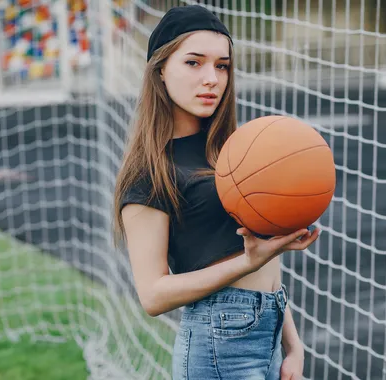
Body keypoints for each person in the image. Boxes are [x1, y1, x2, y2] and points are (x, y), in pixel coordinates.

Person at [112, 5, 320, 380]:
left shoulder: (232, 152)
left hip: (269, 332)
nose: (212, 78)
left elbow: (264, 262)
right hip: (219, 345)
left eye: (222, 65)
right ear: (160, 69)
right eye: (194, 63)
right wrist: (248, 262)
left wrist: (294, 346)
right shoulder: (149, 173)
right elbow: (153, 295)